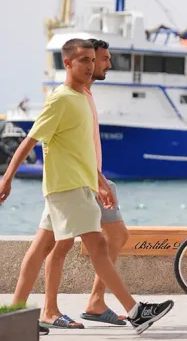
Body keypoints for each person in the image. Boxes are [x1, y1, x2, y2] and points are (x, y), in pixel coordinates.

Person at [0, 38, 173, 335]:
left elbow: (81, 152)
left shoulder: (81, 97)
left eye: (93, 60)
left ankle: (13, 315)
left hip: (75, 186)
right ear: (67, 63)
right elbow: (30, 140)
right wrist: (7, 178)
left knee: (42, 248)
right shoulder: (61, 99)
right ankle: (135, 311)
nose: (90, 66)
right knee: (98, 247)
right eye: (84, 60)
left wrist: (101, 182)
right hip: (68, 188)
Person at [37, 38, 131, 328]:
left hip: (90, 179)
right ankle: (57, 308)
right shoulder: (71, 94)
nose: (104, 65)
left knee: (107, 238)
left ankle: (89, 303)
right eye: (102, 59)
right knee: (62, 245)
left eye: (98, 61)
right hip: (78, 183)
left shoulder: (85, 94)